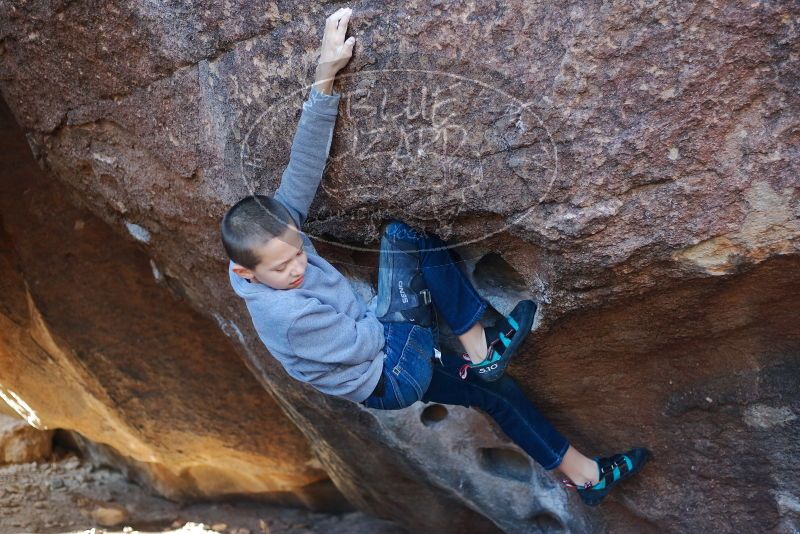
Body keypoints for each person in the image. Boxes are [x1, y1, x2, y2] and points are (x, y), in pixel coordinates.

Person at [220, 7, 650, 507]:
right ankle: (479, 350)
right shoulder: (287, 317)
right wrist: (433, 345)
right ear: (243, 272)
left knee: (495, 394)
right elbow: (364, 343)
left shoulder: (274, 235)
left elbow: (303, 167)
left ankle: (588, 477)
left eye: (298, 251)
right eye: (282, 267)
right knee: (404, 236)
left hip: (385, 360)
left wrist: (325, 74)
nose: (297, 266)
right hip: (388, 370)